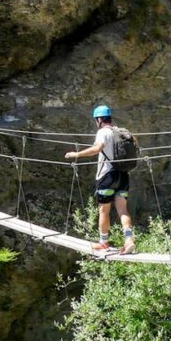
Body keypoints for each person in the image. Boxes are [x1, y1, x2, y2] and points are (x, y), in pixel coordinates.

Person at [65, 105, 136, 254]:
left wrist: (76, 154)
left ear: (99, 119)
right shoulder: (121, 132)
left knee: (104, 210)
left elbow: (97, 148)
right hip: (123, 175)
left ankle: (104, 243)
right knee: (123, 210)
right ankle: (129, 240)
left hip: (107, 177)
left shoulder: (103, 132)